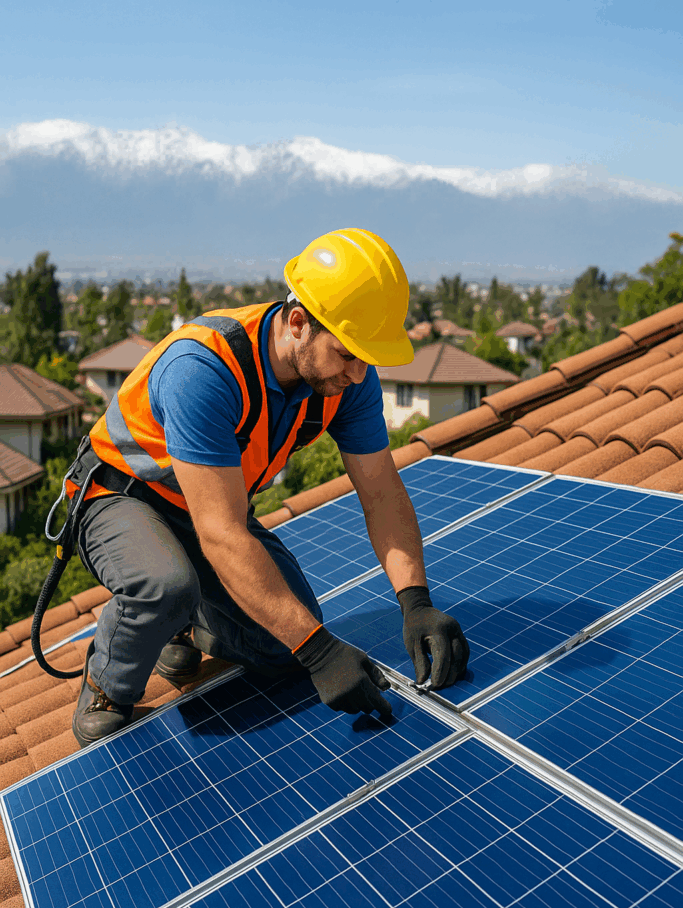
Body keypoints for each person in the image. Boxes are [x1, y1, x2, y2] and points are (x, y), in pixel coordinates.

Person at [69, 228, 469, 748]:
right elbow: (223, 534)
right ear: (298, 322)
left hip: (207, 504)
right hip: (123, 495)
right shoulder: (205, 369)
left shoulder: (347, 379)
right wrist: (322, 653)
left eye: (366, 357)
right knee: (167, 584)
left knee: (285, 645)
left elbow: (382, 491)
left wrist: (415, 602)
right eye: (347, 353)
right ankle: (105, 688)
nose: (358, 372)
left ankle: (188, 624)